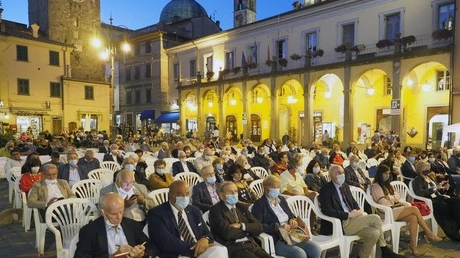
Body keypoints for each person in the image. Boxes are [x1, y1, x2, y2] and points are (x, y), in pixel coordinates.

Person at [318, 165, 403, 258]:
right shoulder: (325, 190)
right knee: (376, 218)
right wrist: (348, 215)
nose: (342, 175)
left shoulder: (345, 186)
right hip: (341, 223)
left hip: (354, 220)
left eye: (343, 172)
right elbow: (327, 211)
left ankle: (362, 256)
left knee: (374, 233)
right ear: (331, 175)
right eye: (339, 173)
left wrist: (358, 210)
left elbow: (353, 202)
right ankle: (384, 249)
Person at [370, 164, 442, 255]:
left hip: (395, 209)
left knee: (413, 218)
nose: (387, 175)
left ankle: (413, 245)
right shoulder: (376, 186)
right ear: (380, 174)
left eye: (388, 173)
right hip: (386, 212)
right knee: (414, 209)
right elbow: (383, 203)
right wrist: (393, 199)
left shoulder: (388, 185)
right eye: (385, 173)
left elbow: (398, 196)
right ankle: (429, 233)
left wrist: (390, 197)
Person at [148, 180, 227, 258]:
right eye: (180, 194)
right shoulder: (156, 214)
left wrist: (205, 239)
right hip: (178, 254)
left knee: (221, 250)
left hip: (200, 251)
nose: (184, 197)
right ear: (170, 195)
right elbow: (166, 242)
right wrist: (197, 247)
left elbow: (207, 233)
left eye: (187, 194)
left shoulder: (194, 210)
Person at [252, 175, 321, 258]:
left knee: (315, 248)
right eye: (275, 187)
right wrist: (278, 227)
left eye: (278, 187)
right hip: (278, 239)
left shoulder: (281, 200)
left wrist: (293, 220)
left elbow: (291, 215)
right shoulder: (259, 205)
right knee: (299, 254)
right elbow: (258, 226)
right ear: (266, 187)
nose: (277, 189)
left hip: (292, 235)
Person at [209, 181, 272, 258]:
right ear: (222, 195)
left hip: (252, 245)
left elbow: (259, 227)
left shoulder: (242, 207)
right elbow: (227, 233)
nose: (234, 194)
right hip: (235, 248)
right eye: (230, 192)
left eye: (235, 191)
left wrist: (242, 226)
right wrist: (248, 231)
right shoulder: (215, 210)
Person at [75, 192, 149, 258]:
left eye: (121, 212)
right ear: (102, 212)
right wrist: (112, 256)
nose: (119, 217)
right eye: (114, 214)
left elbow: (148, 246)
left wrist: (142, 254)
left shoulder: (132, 225)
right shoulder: (89, 231)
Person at [412, 161, 460, 241]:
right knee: (444, 207)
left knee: (457, 202)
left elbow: (437, 191)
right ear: (419, 169)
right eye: (425, 168)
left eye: (428, 168)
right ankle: (453, 234)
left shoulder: (430, 178)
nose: (427, 169)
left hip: (439, 197)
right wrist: (434, 188)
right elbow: (420, 193)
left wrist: (444, 188)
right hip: (430, 201)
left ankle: (458, 226)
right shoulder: (417, 180)